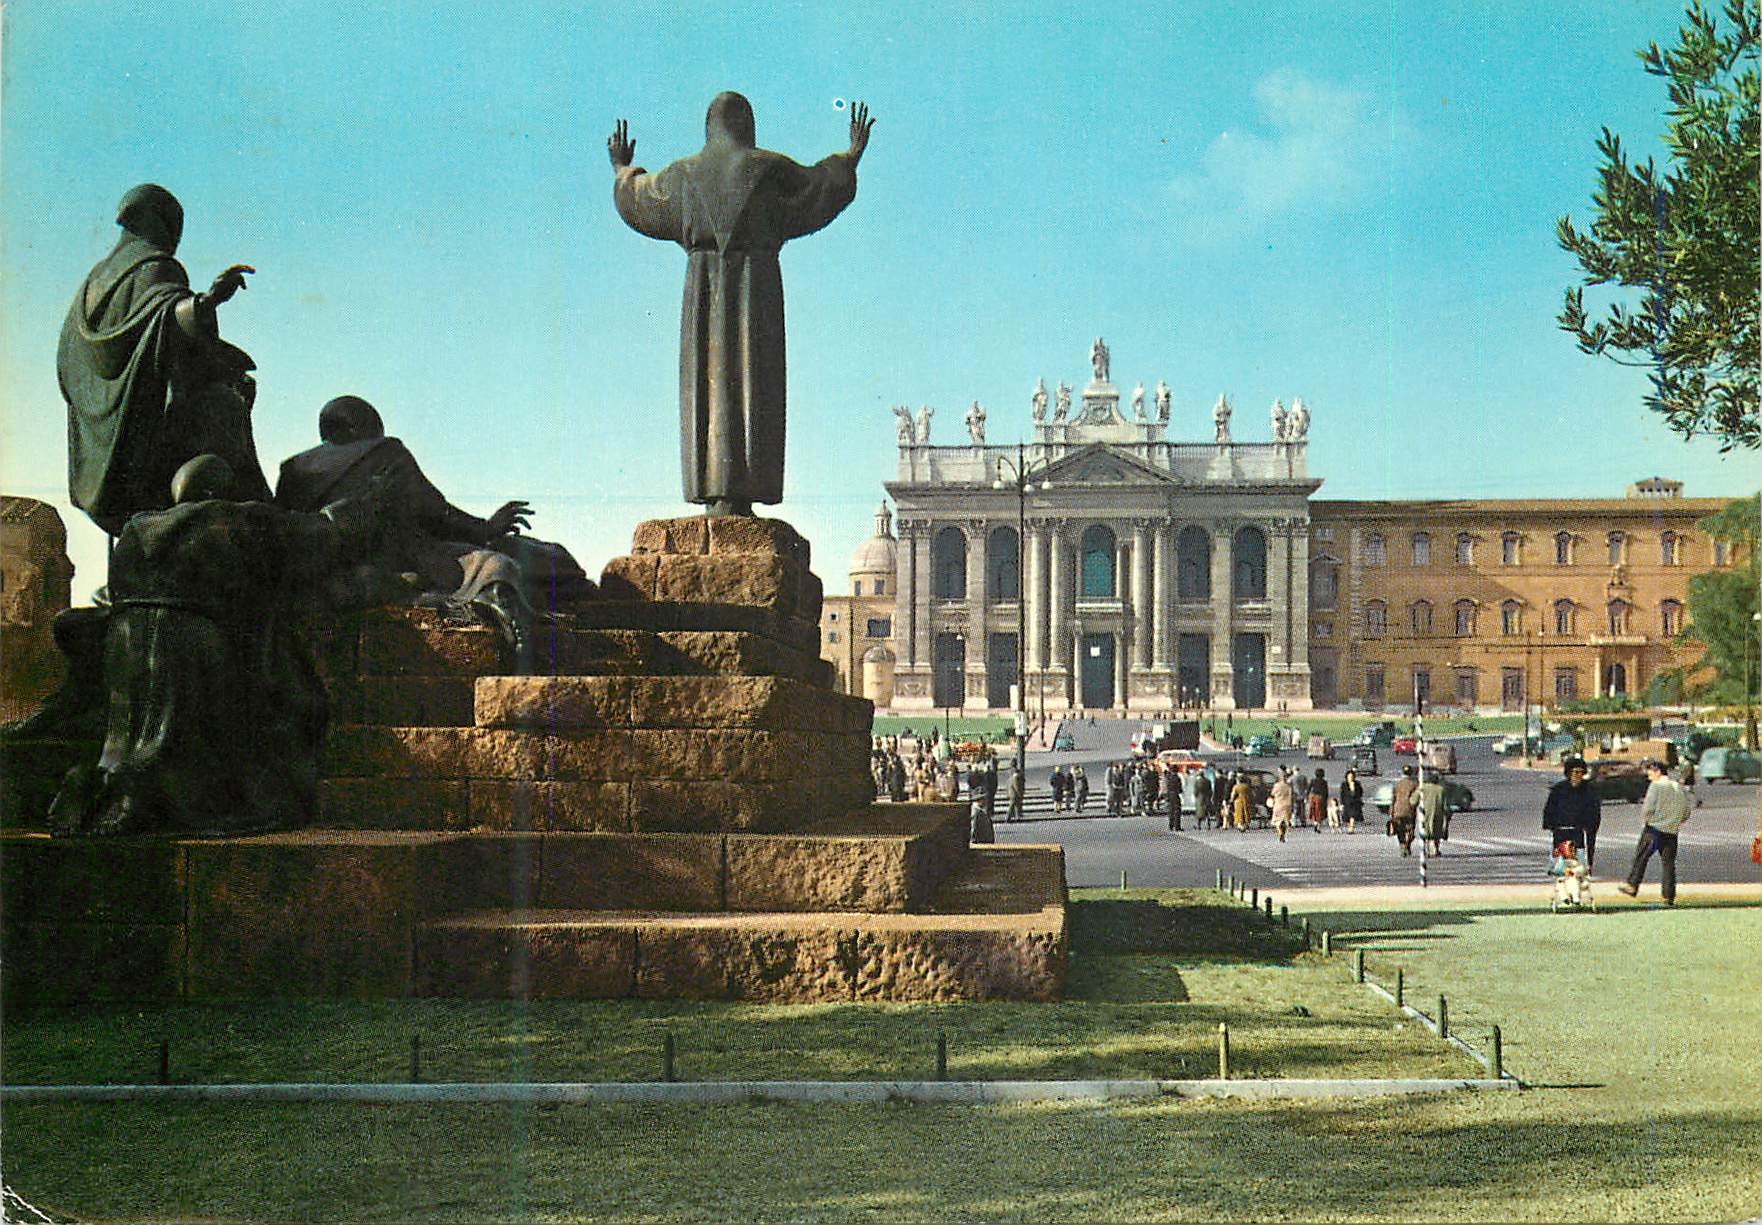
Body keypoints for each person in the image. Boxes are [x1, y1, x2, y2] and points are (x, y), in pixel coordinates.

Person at [50, 455, 351, 837]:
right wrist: (347, 509)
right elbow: (319, 533)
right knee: (190, 746)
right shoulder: (238, 516)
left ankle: (102, 783)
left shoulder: (138, 525)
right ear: (218, 489)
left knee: (132, 739)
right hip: (194, 643)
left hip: (127, 647)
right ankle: (144, 791)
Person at [609, 94, 875, 516]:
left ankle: (713, 494)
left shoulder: (683, 176)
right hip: (758, 292)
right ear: (748, 125)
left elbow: (638, 199)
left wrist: (623, 168)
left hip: (704, 295)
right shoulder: (768, 170)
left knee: (707, 380)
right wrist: (850, 156)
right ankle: (743, 494)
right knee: (756, 378)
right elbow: (820, 188)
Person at [60, 184, 270, 534]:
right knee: (227, 405)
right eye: (174, 227)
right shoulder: (155, 266)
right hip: (148, 432)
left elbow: (72, 361)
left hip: (104, 442)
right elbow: (171, 321)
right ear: (158, 221)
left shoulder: (91, 283)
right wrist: (208, 303)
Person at [1618, 759, 1691, 904]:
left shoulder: (1656, 786)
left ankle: (1632, 885)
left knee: (1641, 857)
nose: (1648, 775)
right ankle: (1668, 895)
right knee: (1668, 864)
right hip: (1671, 830)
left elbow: (1648, 808)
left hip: (1654, 829)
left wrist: (1647, 820)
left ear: (1657, 771)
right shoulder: (1677, 786)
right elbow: (1686, 811)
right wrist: (1675, 821)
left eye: (1650, 771)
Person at [1542, 756, 1603, 870]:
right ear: (1569, 773)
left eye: (1581, 772)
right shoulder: (1558, 790)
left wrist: (1591, 826)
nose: (1578, 775)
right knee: (1560, 868)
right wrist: (1551, 825)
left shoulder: (1589, 791)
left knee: (1579, 868)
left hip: (1578, 834)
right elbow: (1549, 809)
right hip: (1561, 833)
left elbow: (1594, 811)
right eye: (1575, 772)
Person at [1416, 772, 1449, 857]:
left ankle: (1426, 850)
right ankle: (1436, 850)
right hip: (1438, 813)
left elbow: (1413, 800)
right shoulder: (1441, 789)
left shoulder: (1422, 788)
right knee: (1437, 832)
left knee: (1425, 832)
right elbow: (1445, 805)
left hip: (1425, 813)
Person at [1389, 765, 1418, 856]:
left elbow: (1393, 798)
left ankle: (1402, 845)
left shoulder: (1398, 784)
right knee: (1410, 828)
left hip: (1397, 810)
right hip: (1410, 810)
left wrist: (1391, 811)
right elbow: (1417, 799)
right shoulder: (1415, 784)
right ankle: (1408, 844)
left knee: (1399, 829)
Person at [1269, 770, 1294, 842]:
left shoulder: (1276, 786)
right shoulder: (1288, 786)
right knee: (1286, 821)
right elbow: (1292, 796)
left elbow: (1272, 794)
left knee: (1277, 821)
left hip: (1278, 805)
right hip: (1287, 805)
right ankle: (1284, 834)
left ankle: (1280, 833)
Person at [1339, 768, 1365, 834]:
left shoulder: (1357, 784)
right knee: (1347, 817)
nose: (1350, 778)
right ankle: (1349, 828)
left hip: (1355, 802)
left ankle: (1351, 828)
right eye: (1349, 776)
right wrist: (1341, 803)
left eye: (1352, 776)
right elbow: (1342, 794)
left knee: (1353, 816)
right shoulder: (1344, 784)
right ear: (1346, 777)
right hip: (1347, 803)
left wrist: (1355, 790)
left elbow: (1361, 792)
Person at [1308, 767, 1330, 833]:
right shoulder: (1324, 782)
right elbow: (1326, 791)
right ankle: (1318, 826)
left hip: (1313, 797)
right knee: (1319, 813)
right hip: (1321, 798)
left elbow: (1309, 789)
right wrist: (1326, 799)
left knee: (1314, 811)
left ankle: (1315, 823)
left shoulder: (1313, 780)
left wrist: (1307, 796)